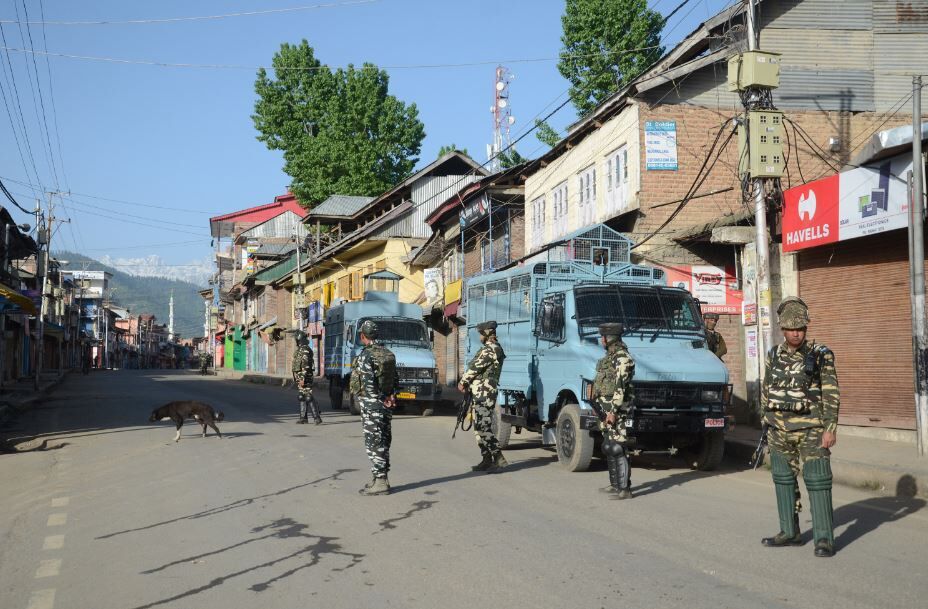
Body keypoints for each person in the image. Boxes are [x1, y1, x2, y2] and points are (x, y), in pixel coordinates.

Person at [760, 297, 840, 558]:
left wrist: (830, 428)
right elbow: (766, 389)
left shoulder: (821, 354)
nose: (796, 333)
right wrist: (765, 422)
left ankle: (824, 539)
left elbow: (831, 391)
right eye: (791, 328)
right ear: (783, 329)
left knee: (818, 481)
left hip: (811, 429)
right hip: (779, 429)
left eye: (801, 328)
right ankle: (789, 532)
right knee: (783, 480)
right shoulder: (773, 354)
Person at [349, 320, 397, 496]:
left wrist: (379, 398)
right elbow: (394, 379)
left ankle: (381, 482)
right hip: (386, 404)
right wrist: (390, 396)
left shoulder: (366, 356)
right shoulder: (388, 353)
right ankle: (380, 479)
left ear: (363, 336)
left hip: (372, 405)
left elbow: (368, 384)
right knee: (383, 441)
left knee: (374, 443)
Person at [591, 323, 636, 499]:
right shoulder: (609, 357)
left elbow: (620, 387)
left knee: (618, 447)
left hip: (617, 409)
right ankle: (614, 484)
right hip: (605, 407)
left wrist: (614, 411)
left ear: (609, 338)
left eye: (603, 337)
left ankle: (625, 489)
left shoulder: (623, 358)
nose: (601, 340)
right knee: (608, 445)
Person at [458, 320, 508, 472]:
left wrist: (463, 382)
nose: (479, 337)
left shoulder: (491, 349)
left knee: (483, 426)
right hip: (480, 391)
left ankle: (499, 459)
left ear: (486, 333)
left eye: (481, 334)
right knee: (478, 426)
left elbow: (475, 367)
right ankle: (486, 459)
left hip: (484, 393)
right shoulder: (490, 349)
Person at [292, 331, 322, 425]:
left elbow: (306, 365)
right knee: (302, 396)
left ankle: (317, 418)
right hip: (300, 376)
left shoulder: (306, 350)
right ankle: (303, 418)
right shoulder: (299, 350)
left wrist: (302, 378)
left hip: (306, 377)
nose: (296, 341)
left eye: (296, 339)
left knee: (308, 396)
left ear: (299, 339)